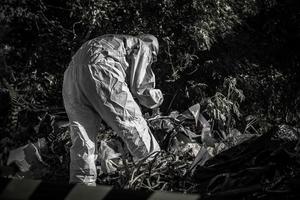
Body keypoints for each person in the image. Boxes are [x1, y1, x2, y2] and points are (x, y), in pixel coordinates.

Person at [62, 34, 163, 186]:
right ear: (153, 49)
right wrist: (158, 98)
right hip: (102, 69)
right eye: (153, 58)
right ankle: (154, 175)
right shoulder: (143, 45)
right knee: (132, 124)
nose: (151, 61)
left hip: (71, 74)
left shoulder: (117, 41)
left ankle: (82, 188)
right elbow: (141, 88)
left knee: (82, 138)